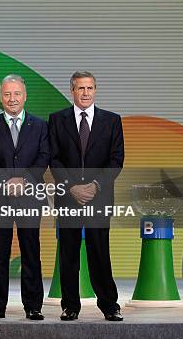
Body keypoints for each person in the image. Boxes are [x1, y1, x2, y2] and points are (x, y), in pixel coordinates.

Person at [49, 71, 124, 322]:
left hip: (99, 198)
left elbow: (116, 160)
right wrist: (71, 186)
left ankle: (109, 305)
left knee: (99, 252)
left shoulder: (112, 121)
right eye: (81, 88)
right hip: (69, 197)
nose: (85, 93)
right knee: (69, 254)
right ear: (72, 90)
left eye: (90, 88)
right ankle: (70, 306)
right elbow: (54, 158)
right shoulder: (57, 120)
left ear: (95, 90)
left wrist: (94, 186)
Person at [0, 74, 49, 321]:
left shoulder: (40, 126)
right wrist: (6, 182)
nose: (12, 99)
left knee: (31, 251)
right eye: (7, 94)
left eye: (17, 94)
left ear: (24, 96)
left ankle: (33, 306)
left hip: (30, 198)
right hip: (0, 198)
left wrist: (25, 181)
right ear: (1, 97)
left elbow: (43, 157)